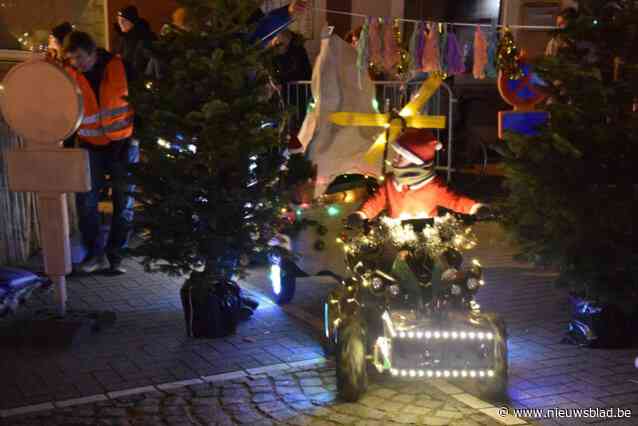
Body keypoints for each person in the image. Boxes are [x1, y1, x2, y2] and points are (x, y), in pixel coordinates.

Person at [346, 129, 490, 294]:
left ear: (416, 161)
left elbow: (454, 201)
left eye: (401, 156)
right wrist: (361, 214)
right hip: (396, 234)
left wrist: (475, 207)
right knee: (387, 263)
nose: (395, 158)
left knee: (441, 262)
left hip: (429, 234)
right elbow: (375, 202)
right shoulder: (391, 183)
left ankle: (445, 290)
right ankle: (386, 291)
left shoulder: (432, 186)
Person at [63, 31, 139, 275]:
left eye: (80, 57)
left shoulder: (121, 67)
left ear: (93, 52)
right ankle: (94, 255)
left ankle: (116, 256)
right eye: (72, 59)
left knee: (123, 202)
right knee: (86, 202)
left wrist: (138, 137)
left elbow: (142, 99)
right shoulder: (69, 75)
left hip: (123, 144)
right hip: (89, 145)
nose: (77, 63)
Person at [113, 6, 157, 81]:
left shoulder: (145, 37)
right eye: (119, 20)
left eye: (124, 20)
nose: (120, 23)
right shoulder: (124, 37)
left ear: (132, 22)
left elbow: (141, 64)